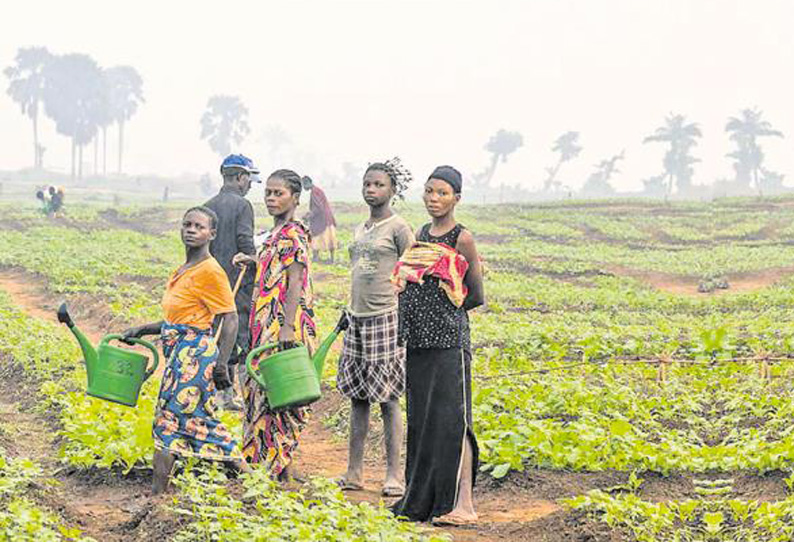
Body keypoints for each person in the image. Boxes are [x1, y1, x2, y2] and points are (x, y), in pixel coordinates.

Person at [122, 206, 243, 494]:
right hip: (180, 356)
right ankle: (251, 479)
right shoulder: (184, 269)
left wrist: (222, 364)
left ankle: (156, 497)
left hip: (194, 358)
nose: (191, 230)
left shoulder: (211, 271)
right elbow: (179, 318)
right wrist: (142, 329)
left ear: (212, 234)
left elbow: (231, 317)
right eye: (187, 224)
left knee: (168, 421)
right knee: (198, 421)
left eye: (199, 226)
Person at [390, 165, 485, 525]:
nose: (434, 198)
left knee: (454, 420)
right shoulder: (421, 233)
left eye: (442, 193)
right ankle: (423, 500)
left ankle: (464, 505)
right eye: (429, 191)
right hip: (419, 340)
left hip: (449, 341)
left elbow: (475, 294)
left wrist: (445, 312)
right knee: (424, 419)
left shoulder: (463, 238)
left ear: (456, 198)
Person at [337, 158, 415, 497]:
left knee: (389, 399)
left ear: (393, 191)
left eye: (379, 185)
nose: (371, 190)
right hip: (356, 318)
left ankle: (393, 475)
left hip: (386, 317)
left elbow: (412, 274)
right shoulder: (361, 228)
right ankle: (354, 472)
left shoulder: (399, 228)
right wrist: (347, 310)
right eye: (367, 184)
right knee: (358, 398)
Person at [232, 169, 316, 481]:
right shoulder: (275, 234)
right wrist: (254, 261)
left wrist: (287, 327)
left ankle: (281, 465)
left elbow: (295, 282)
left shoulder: (293, 233)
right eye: (267, 192)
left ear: (295, 198)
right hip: (263, 319)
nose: (270, 198)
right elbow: (275, 271)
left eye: (278, 193)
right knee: (262, 390)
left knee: (280, 391)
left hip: (282, 320)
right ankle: (277, 467)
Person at [205, 154, 260, 411]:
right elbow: (245, 240)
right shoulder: (242, 206)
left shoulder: (207, 206)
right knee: (242, 337)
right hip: (238, 282)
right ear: (240, 177)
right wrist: (255, 259)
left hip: (211, 282)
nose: (249, 185)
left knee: (216, 336)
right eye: (249, 179)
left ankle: (220, 395)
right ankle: (247, 395)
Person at [301, 176, 338, 263]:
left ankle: (316, 258)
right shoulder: (317, 190)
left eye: (303, 185)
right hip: (327, 218)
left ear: (307, 183)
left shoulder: (315, 192)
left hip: (322, 219)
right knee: (330, 240)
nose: (303, 188)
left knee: (316, 237)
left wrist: (308, 216)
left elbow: (318, 208)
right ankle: (331, 259)